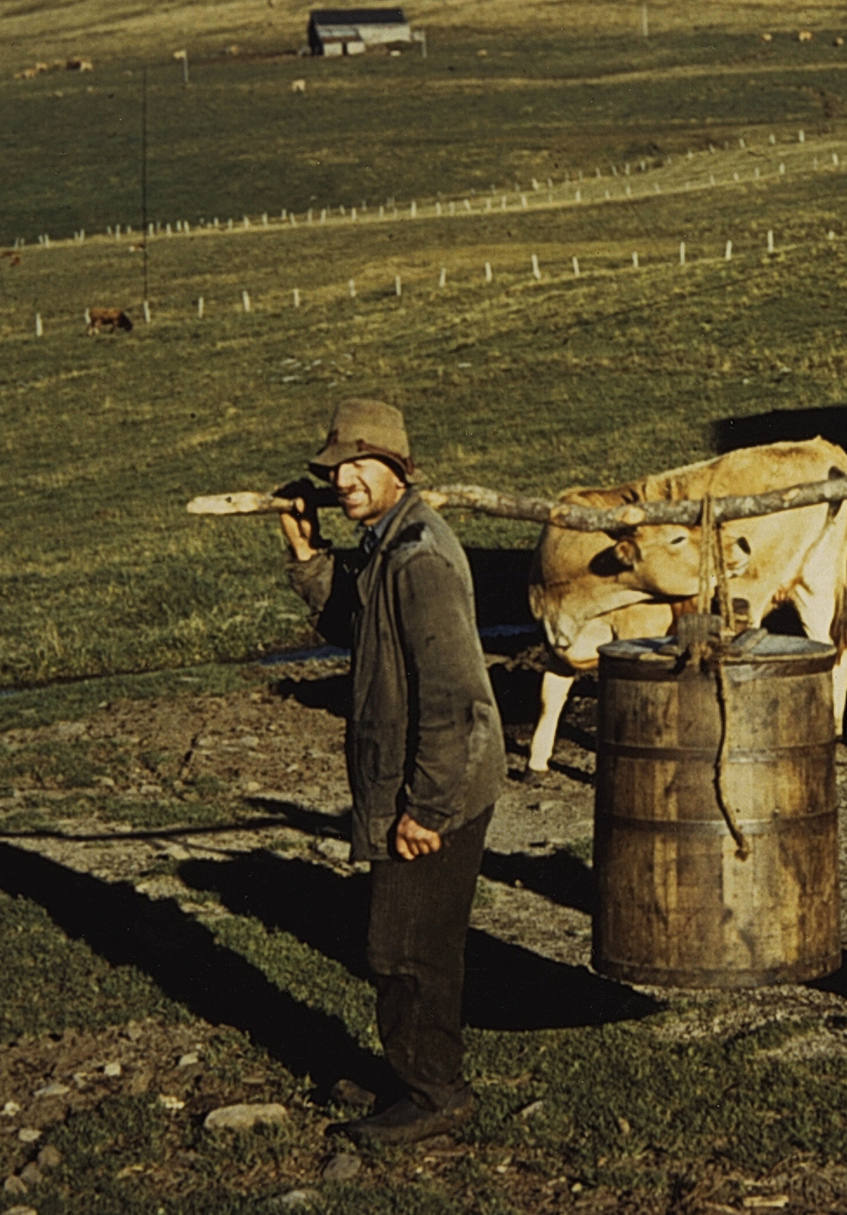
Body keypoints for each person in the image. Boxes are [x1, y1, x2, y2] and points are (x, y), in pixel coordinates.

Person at [279, 397, 505, 1145]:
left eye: (360, 463)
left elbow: (454, 699)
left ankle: (435, 1095)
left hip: (435, 786)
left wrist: (427, 809)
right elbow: (360, 624)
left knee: (409, 948)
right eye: (335, 467)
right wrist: (309, 559)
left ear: (398, 466)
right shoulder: (388, 542)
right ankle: (413, 1076)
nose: (343, 479)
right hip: (417, 781)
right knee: (401, 940)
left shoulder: (419, 558)